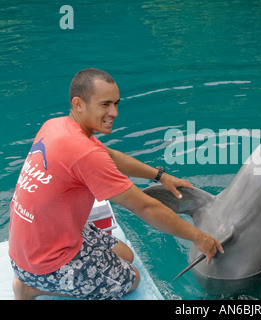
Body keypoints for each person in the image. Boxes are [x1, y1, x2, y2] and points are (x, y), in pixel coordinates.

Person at [9, 68, 223, 300]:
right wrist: (198, 237)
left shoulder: (56, 126)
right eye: (105, 105)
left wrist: (160, 176)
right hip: (44, 265)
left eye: (116, 104)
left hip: (27, 247)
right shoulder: (84, 154)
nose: (115, 112)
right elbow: (146, 207)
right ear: (78, 104)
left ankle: (36, 279)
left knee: (126, 255)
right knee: (132, 279)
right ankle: (32, 288)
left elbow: (107, 154)